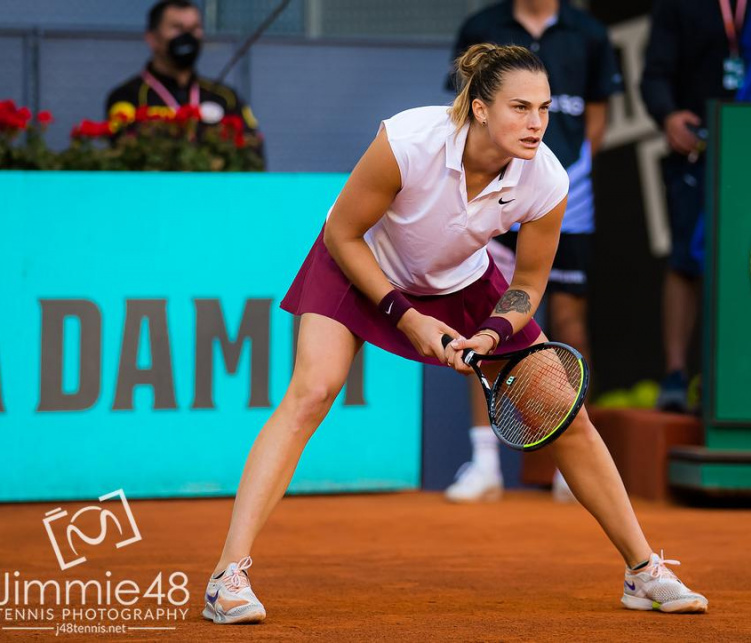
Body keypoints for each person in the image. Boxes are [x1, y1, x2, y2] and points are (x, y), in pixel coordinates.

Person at [203, 43, 707, 624]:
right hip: (359, 263)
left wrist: (494, 333)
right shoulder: (408, 141)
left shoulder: (546, 176)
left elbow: (529, 283)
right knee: (312, 391)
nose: (536, 122)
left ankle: (643, 571)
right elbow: (342, 233)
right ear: (479, 108)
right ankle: (227, 577)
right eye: (520, 107)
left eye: (544, 108)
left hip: (463, 283)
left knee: (563, 411)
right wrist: (406, 316)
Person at [443, 0, 621, 504]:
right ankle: (484, 464)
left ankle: (570, 465)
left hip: (566, 194)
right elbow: (467, 115)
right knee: (487, 324)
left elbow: (597, 119)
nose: (535, 117)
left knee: (570, 321)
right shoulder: (481, 26)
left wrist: (561, 180)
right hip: (496, 198)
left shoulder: (588, 32)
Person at [640, 0, 742, 412]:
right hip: (698, 145)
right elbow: (654, 75)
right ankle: (677, 374)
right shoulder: (679, 5)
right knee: (686, 259)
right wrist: (667, 115)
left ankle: (732, 374)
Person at [105, 0, 262, 154]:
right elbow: (123, 151)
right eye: (177, 28)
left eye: (194, 29)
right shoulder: (128, 96)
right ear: (152, 38)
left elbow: (254, 153)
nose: (187, 36)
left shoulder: (224, 96)